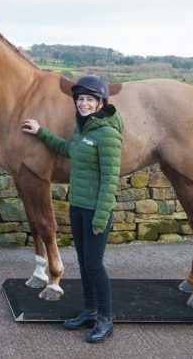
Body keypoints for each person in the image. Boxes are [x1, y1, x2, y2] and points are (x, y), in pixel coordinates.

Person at [20, 74, 123, 343]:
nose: (83, 103)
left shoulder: (107, 134)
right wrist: (40, 131)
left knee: (95, 265)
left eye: (89, 99)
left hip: (96, 212)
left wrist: (101, 219)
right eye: (80, 99)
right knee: (83, 263)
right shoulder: (84, 129)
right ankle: (90, 310)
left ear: (101, 102)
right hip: (78, 208)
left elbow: (111, 181)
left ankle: (105, 318)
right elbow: (68, 149)